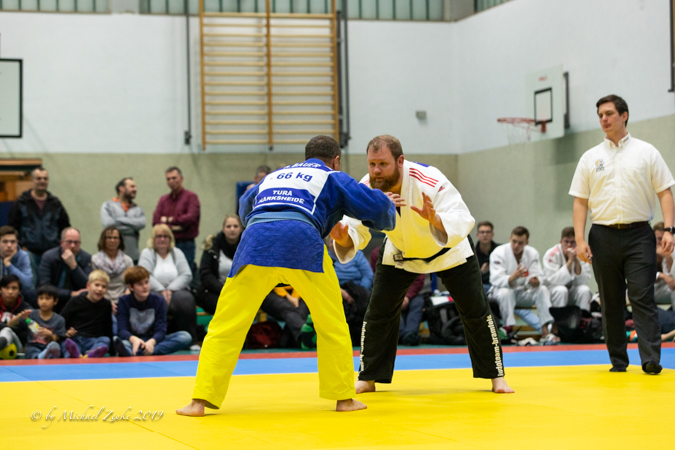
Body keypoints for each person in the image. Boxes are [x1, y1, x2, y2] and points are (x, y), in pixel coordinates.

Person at [176, 135, 396, 417]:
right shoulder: (332, 176)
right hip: (301, 241)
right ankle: (343, 398)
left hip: (255, 242)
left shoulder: (274, 176)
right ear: (336, 160)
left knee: (225, 325)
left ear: (306, 157)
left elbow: (245, 206)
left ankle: (199, 401)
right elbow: (378, 210)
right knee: (331, 323)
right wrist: (388, 207)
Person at [333, 135, 512, 395]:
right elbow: (354, 229)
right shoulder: (367, 187)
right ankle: (368, 376)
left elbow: (462, 217)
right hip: (400, 252)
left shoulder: (429, 179)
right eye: (372, 164)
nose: (376, 171)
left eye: (383, 164)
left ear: (400, 161)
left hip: (448, 251)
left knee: (476, 311)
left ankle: (496, 376)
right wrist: (343, 236)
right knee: (378, 313)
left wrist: (436, 219)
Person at [570, 94, 675, 375]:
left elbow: (665, 192)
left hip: (639, 235)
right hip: (602, 236)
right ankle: (618, 360)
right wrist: (580, 239)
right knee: (611, 300)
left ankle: (650, 359)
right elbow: (580, 201)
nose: (604, 119)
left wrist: (669, 229)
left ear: (624, 115)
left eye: (609, 114)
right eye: (600, 115)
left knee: (642, 295)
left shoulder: (646, 152)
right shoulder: (590, 157)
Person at [489, 226, 555, 341]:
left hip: (523, 292)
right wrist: (513, 277)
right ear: (510, 238)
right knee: (506, 292)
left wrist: (536, 281)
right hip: (501, 292)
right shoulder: (498, 252)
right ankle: (508, 329)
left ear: (526, 242)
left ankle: (545, 331)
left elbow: (538, 274)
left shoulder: (532, 253)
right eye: (514, 241)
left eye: (520, 243)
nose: (516, 245)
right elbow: (495, 279)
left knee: (542, 289)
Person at [8, 166, 71, 284]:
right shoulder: (21, 203)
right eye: (39, 178)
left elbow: (65, 227)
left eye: (45, 178)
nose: (42, 181)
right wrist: (20, 246)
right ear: (32, 180)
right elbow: (12, 228)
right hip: (29, 252)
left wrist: (61, 246)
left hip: (52, 253)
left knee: (50, 286)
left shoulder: (56, 204)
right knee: (30, 285)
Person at [138, 224, 198, 347]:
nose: (162, 239)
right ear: (153, 239)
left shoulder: (177, 253)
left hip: (176, 290)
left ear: (170, 239)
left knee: (185, 299)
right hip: (153, 290)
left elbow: (186, 274)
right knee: (156, 300)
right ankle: (152, 340)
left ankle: (191, 340)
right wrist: (161, 289)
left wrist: (170, 289)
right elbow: (144, 274)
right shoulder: (147, 253)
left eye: (166, 236)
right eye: (159, 236)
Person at [114, 266, 192, 357]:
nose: (145, 287)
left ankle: (147, 351)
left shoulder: (159, 300)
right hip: (133, 341)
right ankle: (142, 351)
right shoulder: (124, 301)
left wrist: (151, 343)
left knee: (185, 336)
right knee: (117, 340)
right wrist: (134, 340)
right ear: (131, 287)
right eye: (140, 284)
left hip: (153, 340)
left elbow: (161, 329)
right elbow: (122, 329)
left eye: (146, 282)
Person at [368, 245, 425, 346]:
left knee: (419, 302)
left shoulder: (416, 252)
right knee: (389, 302)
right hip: (388, 293)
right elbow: (377, 278)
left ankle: (410, 333)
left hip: (410, 294)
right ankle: (400, 334)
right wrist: (395, 295)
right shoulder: (377, 253)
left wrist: (407, 296)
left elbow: (419, 280)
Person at [326, 235, 373, 346]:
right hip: (336, 289)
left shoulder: (357, 254)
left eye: (337, 240)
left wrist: (359, 291)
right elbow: (324, 279)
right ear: (328, 243)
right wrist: (341, 292)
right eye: (331, 241)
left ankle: (366, 337)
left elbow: (368, 275)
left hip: (358, 287)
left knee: (366, 303)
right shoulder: (325, 257)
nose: (334, 244)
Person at [152, 167, 201, 269]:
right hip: (165, 244)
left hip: (185, 243)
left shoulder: (191, 197)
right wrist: (176, 227)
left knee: (185, 271)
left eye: (174, 178)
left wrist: (168, 220)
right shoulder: (163, 200)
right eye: (168, 179)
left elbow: (190, 218)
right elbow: (156, 221)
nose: (171, 181)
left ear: (181, 178)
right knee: (164, 271)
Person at [37, 227, 92, 312]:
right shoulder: (49, 257)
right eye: (69, 242)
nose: (73, 245)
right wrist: (70, 294)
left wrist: (74, 267)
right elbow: (44, 286)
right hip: (52, 299)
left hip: (77, 302)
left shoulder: (86, 258)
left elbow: (87, 286)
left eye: (76, 242)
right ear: (61, 242)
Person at [60, 271, 113, 359]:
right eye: (97, 285)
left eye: (104, 287)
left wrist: (112, 352)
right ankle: (74, 354)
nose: (100, 289)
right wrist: (66, 332)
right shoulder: (75, 301)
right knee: (67, 343)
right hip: (76, 338)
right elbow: (61, 321)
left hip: (93, 340)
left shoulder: (106, 305)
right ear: (88, 285)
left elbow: (108, 328)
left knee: (105, 340)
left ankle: (91, 353)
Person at [197, 215, 243, 314]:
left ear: (241, 229)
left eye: (235, 226)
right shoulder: (211, 246)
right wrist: (224, 290)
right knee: (227, 306)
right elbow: (205, 274)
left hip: (241, 291)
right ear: (223, 229)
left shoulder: (248, 247)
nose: (232, 229)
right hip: (215, 291)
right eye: (228, 226)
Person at [543, 227, 593, 311]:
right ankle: (559, 319)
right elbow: (554, 280)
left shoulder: (581, 254)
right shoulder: (552, 254)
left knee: (585, 290)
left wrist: (576, 261)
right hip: (553, 292)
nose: (569, 245)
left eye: (572, 242)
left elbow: (584, 281)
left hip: (572, 291)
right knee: (561, 290)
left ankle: (584, 317)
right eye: (566, 241)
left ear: (576, 243)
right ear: (561, 242)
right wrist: (570, 261)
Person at [101, 177, 146, 263]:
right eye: (132, 186)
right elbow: (108, 224)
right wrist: (132, 229)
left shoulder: (137, 209)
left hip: (133, 257)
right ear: (121, 188)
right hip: (111, 258)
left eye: (135, 187)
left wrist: (117, 220)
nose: (135, 189)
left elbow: (142, 223)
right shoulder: (108, 206)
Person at [91, 226, 134, 305]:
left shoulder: (128, 261)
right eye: (109, 237)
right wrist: (107, 303)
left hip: (123, 300)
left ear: (120, 240)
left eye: (115, 238)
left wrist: (125, 299)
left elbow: (130, 284)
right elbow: (93, 284)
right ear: (103, 240)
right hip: (101, 301)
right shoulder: (94, 260)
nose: (112, 240)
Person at [24, 285, 66, 359]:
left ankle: (46, 354)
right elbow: (25, 324)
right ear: (37, 300)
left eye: (47, 298)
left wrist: (50, 334)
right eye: (41, 298)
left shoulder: (59, 320)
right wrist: (24, 317)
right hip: (34, 345)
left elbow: (56, 339)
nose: (44, 301)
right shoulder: (31, 314)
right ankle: (39, 357)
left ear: (55, 301)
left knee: (55, 346)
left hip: (49, 345)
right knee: (31, 350)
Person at [0, 275, 31, 358]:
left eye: (14, 288)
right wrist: (8, 325)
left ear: (19, 291)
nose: (10, 292)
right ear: (0, 289)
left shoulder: (26, 309)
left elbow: (33, 328)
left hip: (16, 347)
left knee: (7, 330)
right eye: (6, 288)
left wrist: (25, 320)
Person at [0, 225, 33, 290]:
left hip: (16, 292)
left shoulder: (23, 255)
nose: (9, 245)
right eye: (5, 242)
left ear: (17, 242)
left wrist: (8, 265)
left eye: (13, 242)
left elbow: (27, 284)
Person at [652, 222, 675, 309]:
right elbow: (642, 276)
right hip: (650, 290)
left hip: (667, 289)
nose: (662, 242)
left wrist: (667, 257)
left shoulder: (672, 251)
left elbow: (672, 277)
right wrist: (662, 275)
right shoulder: (646, 251)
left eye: (664, 238)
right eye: (659, 239)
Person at [475, 221, 499, 293]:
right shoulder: (472, 253)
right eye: (482, 232)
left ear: (492, 234)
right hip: (480, 286)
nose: (485, 235)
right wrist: (481, 272)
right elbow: (469, 278)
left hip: (498, 284)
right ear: (477, 234)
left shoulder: (499, 250)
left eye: (488, 232)